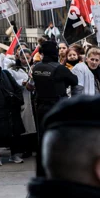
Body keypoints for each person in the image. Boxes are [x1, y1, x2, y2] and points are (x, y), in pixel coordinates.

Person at [31, 40, 78, 177]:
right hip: (57, 105)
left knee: (43, 135)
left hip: (40, 105)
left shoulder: (36, 67)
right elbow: (74, 80)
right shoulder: (59, 68)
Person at [0, 55, 26, 166]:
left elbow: (17, 88)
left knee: (14, 133)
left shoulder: (6, 74)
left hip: (11, 109)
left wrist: (18, 101)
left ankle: (14, 154)